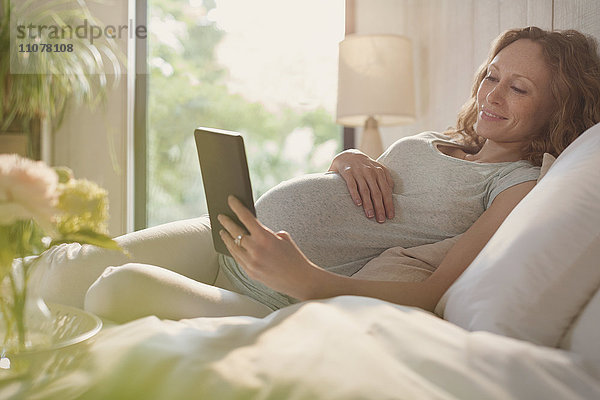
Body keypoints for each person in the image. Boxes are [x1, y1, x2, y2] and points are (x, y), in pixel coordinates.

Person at [83, 26, 600, 322]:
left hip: (270, 291)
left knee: (112, 288)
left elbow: (435, 291)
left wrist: (306, 279)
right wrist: (345, 161)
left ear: (558, 108)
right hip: (235, 235)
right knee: (67, 264)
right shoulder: (444, 139)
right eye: (491, 75)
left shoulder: (517, 184)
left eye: (519, 88)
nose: (491, 94)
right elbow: (370, 192)